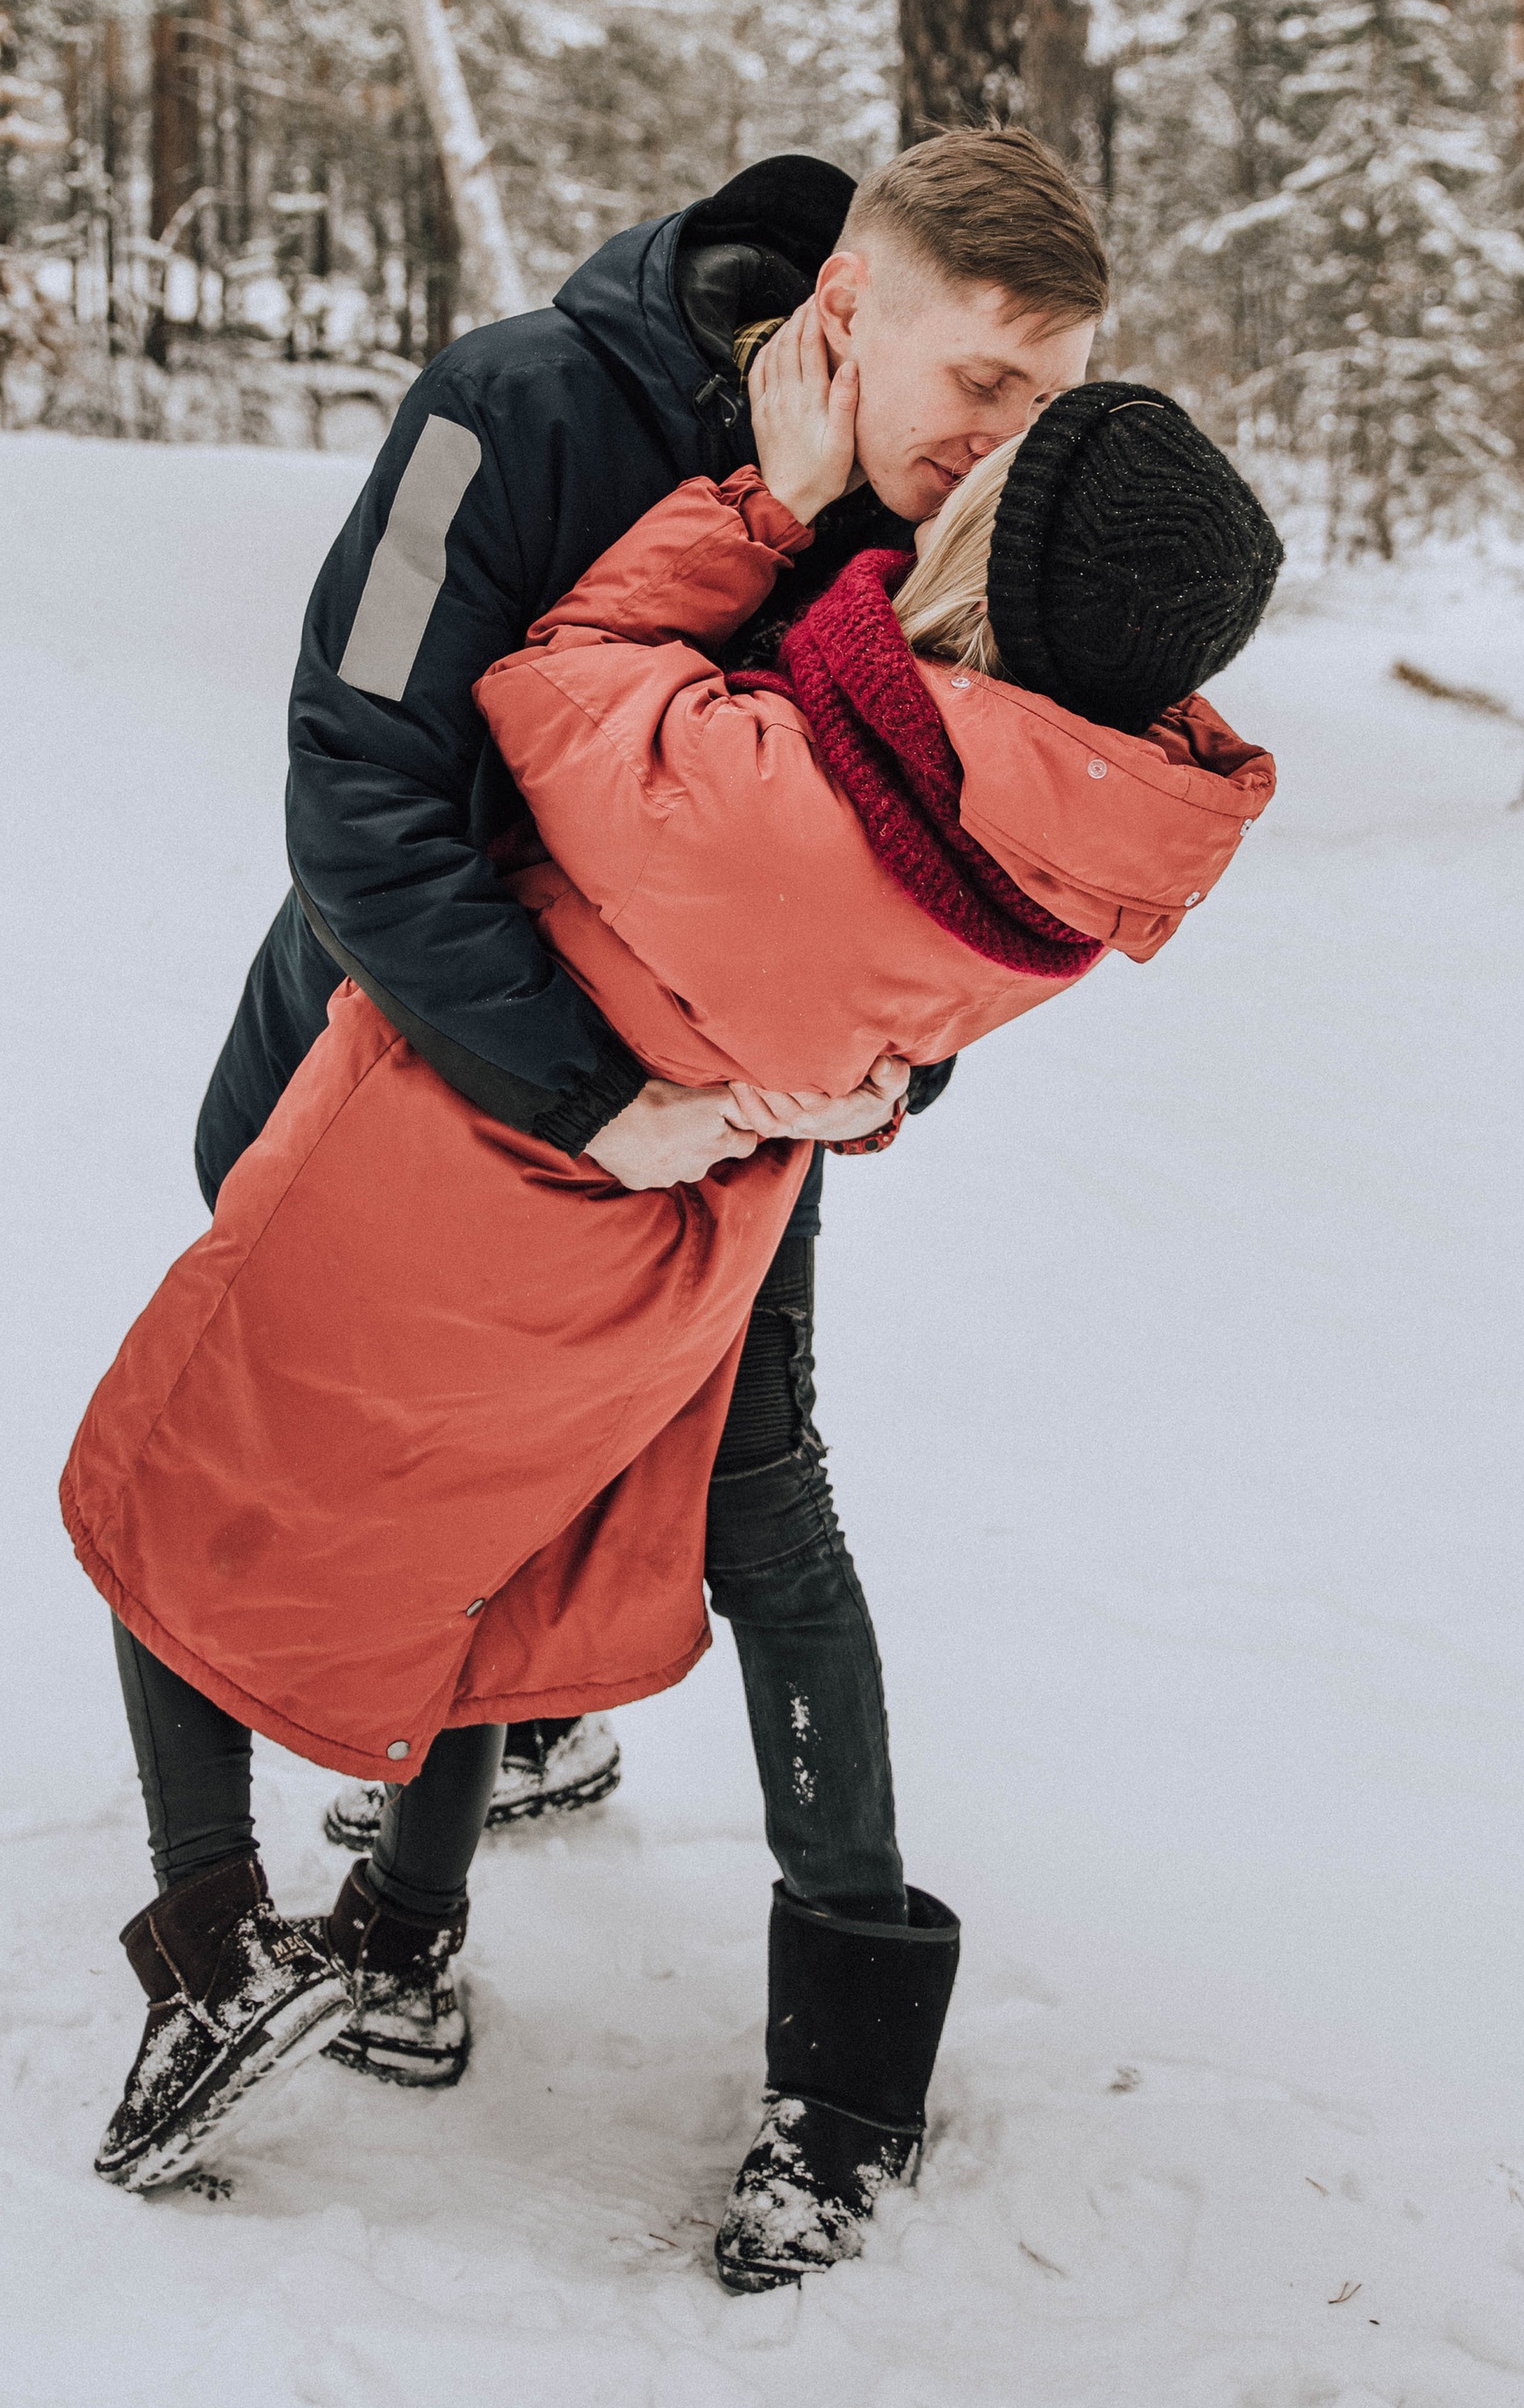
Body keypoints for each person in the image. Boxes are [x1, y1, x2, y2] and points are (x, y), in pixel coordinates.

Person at [64, 357, 1282, 2287]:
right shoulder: (1082, 814)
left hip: (472, 1148)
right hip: (689, 1216)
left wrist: (765, 510)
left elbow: (554, 694)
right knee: (542, 1521)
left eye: (1006, 439)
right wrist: (854, 1086)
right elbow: (884, 1020)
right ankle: (419, 1937)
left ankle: (225, 1940)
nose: (965, 445)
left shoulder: (773, 762)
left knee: (173, 1487)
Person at [180, 133, 1104, 1941]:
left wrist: (893, 1070)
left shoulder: (953, 532)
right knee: (371, 1444)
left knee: (754, 1484)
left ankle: (838, 2029)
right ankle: (402, 1856)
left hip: (732, 1130)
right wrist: (587, 1093)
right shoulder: (504, 409)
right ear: (843, 307)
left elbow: (958, 877)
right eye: (984, 381)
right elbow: (358, 785)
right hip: (398, 1053)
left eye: (1047, 400)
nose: (1006, 440)